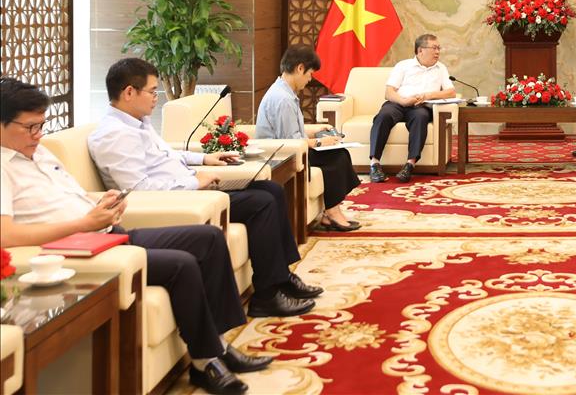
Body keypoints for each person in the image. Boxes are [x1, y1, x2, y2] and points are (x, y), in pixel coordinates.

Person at [0, 78, 269, 395]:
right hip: (81, 248)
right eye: (30, 127)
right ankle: (205, 362)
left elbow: (67, 198)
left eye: (41, 125)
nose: (38, 135)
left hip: (107, 233)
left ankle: (219, 345)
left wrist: (101, 204)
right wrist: (83, 223)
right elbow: (7, 235)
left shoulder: (40, 153)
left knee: (208, 238)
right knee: (181, 264)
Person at [87, 58, 321, 318]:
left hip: (192, 188)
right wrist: (195, 182)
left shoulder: (137, 122)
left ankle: (282, 278)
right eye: (152, 91)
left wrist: (204, 158)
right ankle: (267, 296)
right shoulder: (113, 135)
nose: (156, 97)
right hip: (182, 200)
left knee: (271, 190)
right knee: (261, 202)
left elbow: (166, 155)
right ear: (129, 92)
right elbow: (138, 189)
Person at [256, 45, 361, 232]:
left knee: (339, 154)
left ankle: (331, 211)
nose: (310, 79)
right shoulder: (282, 99)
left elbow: (292, 131)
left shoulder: (285, 92)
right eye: (310, 74)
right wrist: (320, 142)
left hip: (291, 151)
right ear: (300, 68)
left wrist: (315, 131)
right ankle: (332, 212)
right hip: (282, 159)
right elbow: (291, 142)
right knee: (336, 158)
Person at [369, 34, 455, 183]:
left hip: (421, 106)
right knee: (383, 116)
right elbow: (389, 92)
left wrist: (428, 95)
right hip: (399, 103)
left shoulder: (440, 68)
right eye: (434, 48)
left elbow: (451, 92)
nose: (438, 52)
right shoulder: (403, 65)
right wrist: (403, 101)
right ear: (420, 50)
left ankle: (410, 164)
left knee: (421, 117)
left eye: (439, 48)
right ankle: (374, 164)